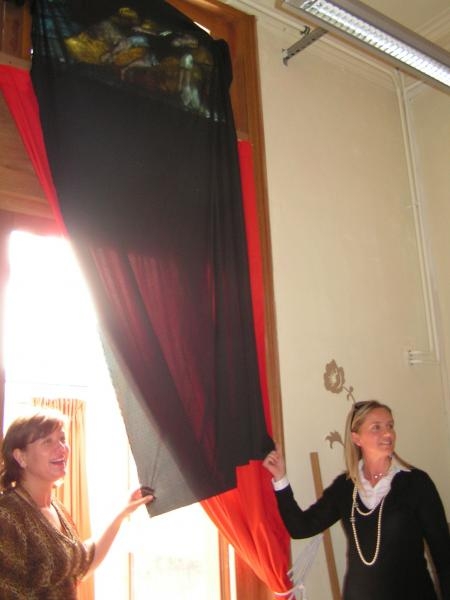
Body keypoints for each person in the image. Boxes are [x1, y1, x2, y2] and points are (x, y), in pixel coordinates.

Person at [263, 399, 450, 600]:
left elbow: (443, 554)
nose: (388, 433)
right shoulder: (345, 487)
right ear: (356, 438)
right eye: (376, 427)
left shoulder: (416, 483)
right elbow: (301, 528)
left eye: (390, 426)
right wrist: (280, 478)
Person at [0, 408, 154, 599]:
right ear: (20, 457)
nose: (61, 448)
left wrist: (122, 512)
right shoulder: (7, 515)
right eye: (47, 441)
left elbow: (81, 565)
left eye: (62, 439)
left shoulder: (56, 507)